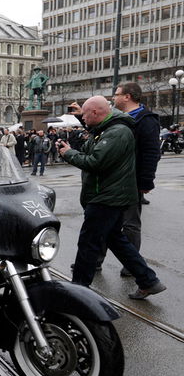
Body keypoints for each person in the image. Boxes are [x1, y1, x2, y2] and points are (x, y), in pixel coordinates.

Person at [58, 96, 166, 300]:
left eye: (85, 115)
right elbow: (93, 151)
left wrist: (69, 153)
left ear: (96, 113)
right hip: (108, 194)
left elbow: (96, 161)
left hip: (106, 196)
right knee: (116, 240)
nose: (83, 118)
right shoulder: (107, 129)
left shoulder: (117, 132)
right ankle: (148, 280)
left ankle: (78, 290)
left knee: (88, 242)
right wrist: (73, 148)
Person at [92, 82, 161, 277]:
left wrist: (146, 182)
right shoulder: (117, 118)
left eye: (117, 94)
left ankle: (131, 265)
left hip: (132, 180)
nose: (114, 98)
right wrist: (84, 116)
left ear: (127, 96)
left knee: (130, 224)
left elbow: (151, 153)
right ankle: (95, 260)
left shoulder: (146, 120)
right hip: (113, 179)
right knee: (105, 220)